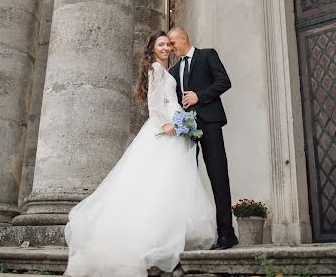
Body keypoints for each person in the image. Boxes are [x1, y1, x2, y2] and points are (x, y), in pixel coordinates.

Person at [64, 31, 216, 277]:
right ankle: (151, 237)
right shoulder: (156, 69)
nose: (166, 48)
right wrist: (166, 124)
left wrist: (180, 121)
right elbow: (154, 104)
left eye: (168, 44)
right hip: (165, 128)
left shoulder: (166, 70)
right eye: (161, 44)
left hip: (176, 125)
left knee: (171, 182)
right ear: (153, 48)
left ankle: (169, 233)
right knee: (158, 180)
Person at [168, 27, 238, 250]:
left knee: (218, 176)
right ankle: (191, 236)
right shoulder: (173, 70)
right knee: (188, 180)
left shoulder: (207, 55)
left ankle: (227, 234)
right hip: (187, 130)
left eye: (172, 42)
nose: (170, 47)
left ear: (183, 37)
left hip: (210, 123)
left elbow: (224, 82)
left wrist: (200, 96)